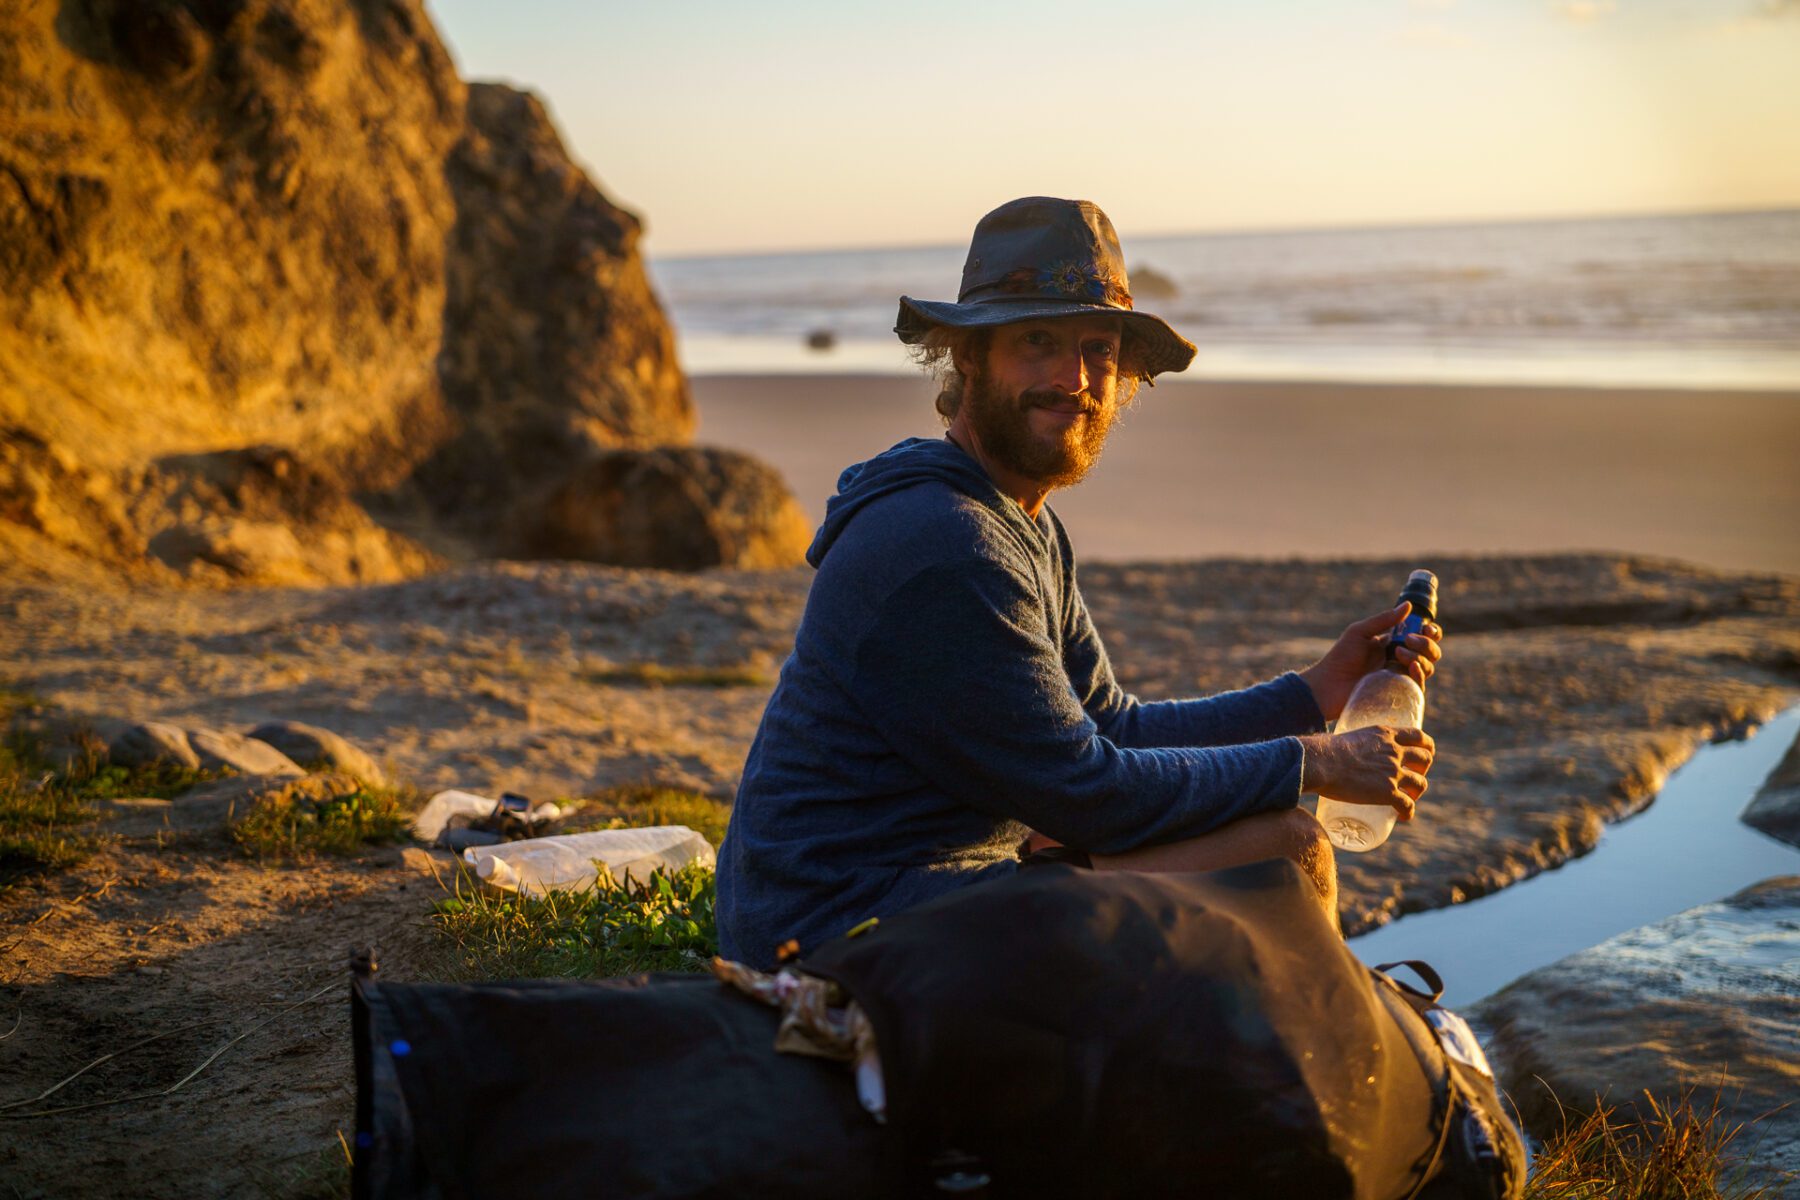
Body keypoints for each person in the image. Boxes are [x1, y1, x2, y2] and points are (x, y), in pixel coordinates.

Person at [715, 197, 1441, 969]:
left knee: (1276, 847)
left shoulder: (1016, 520)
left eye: (1098, 348)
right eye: (1038, 341)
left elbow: (1111, 729)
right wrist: (1315, 762)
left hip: (917, 890)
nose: (1075, 378)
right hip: (832, 928)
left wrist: (1318, 691)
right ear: (968, 355)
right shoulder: (944, 543)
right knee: (1282, 853)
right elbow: (1088, 795)